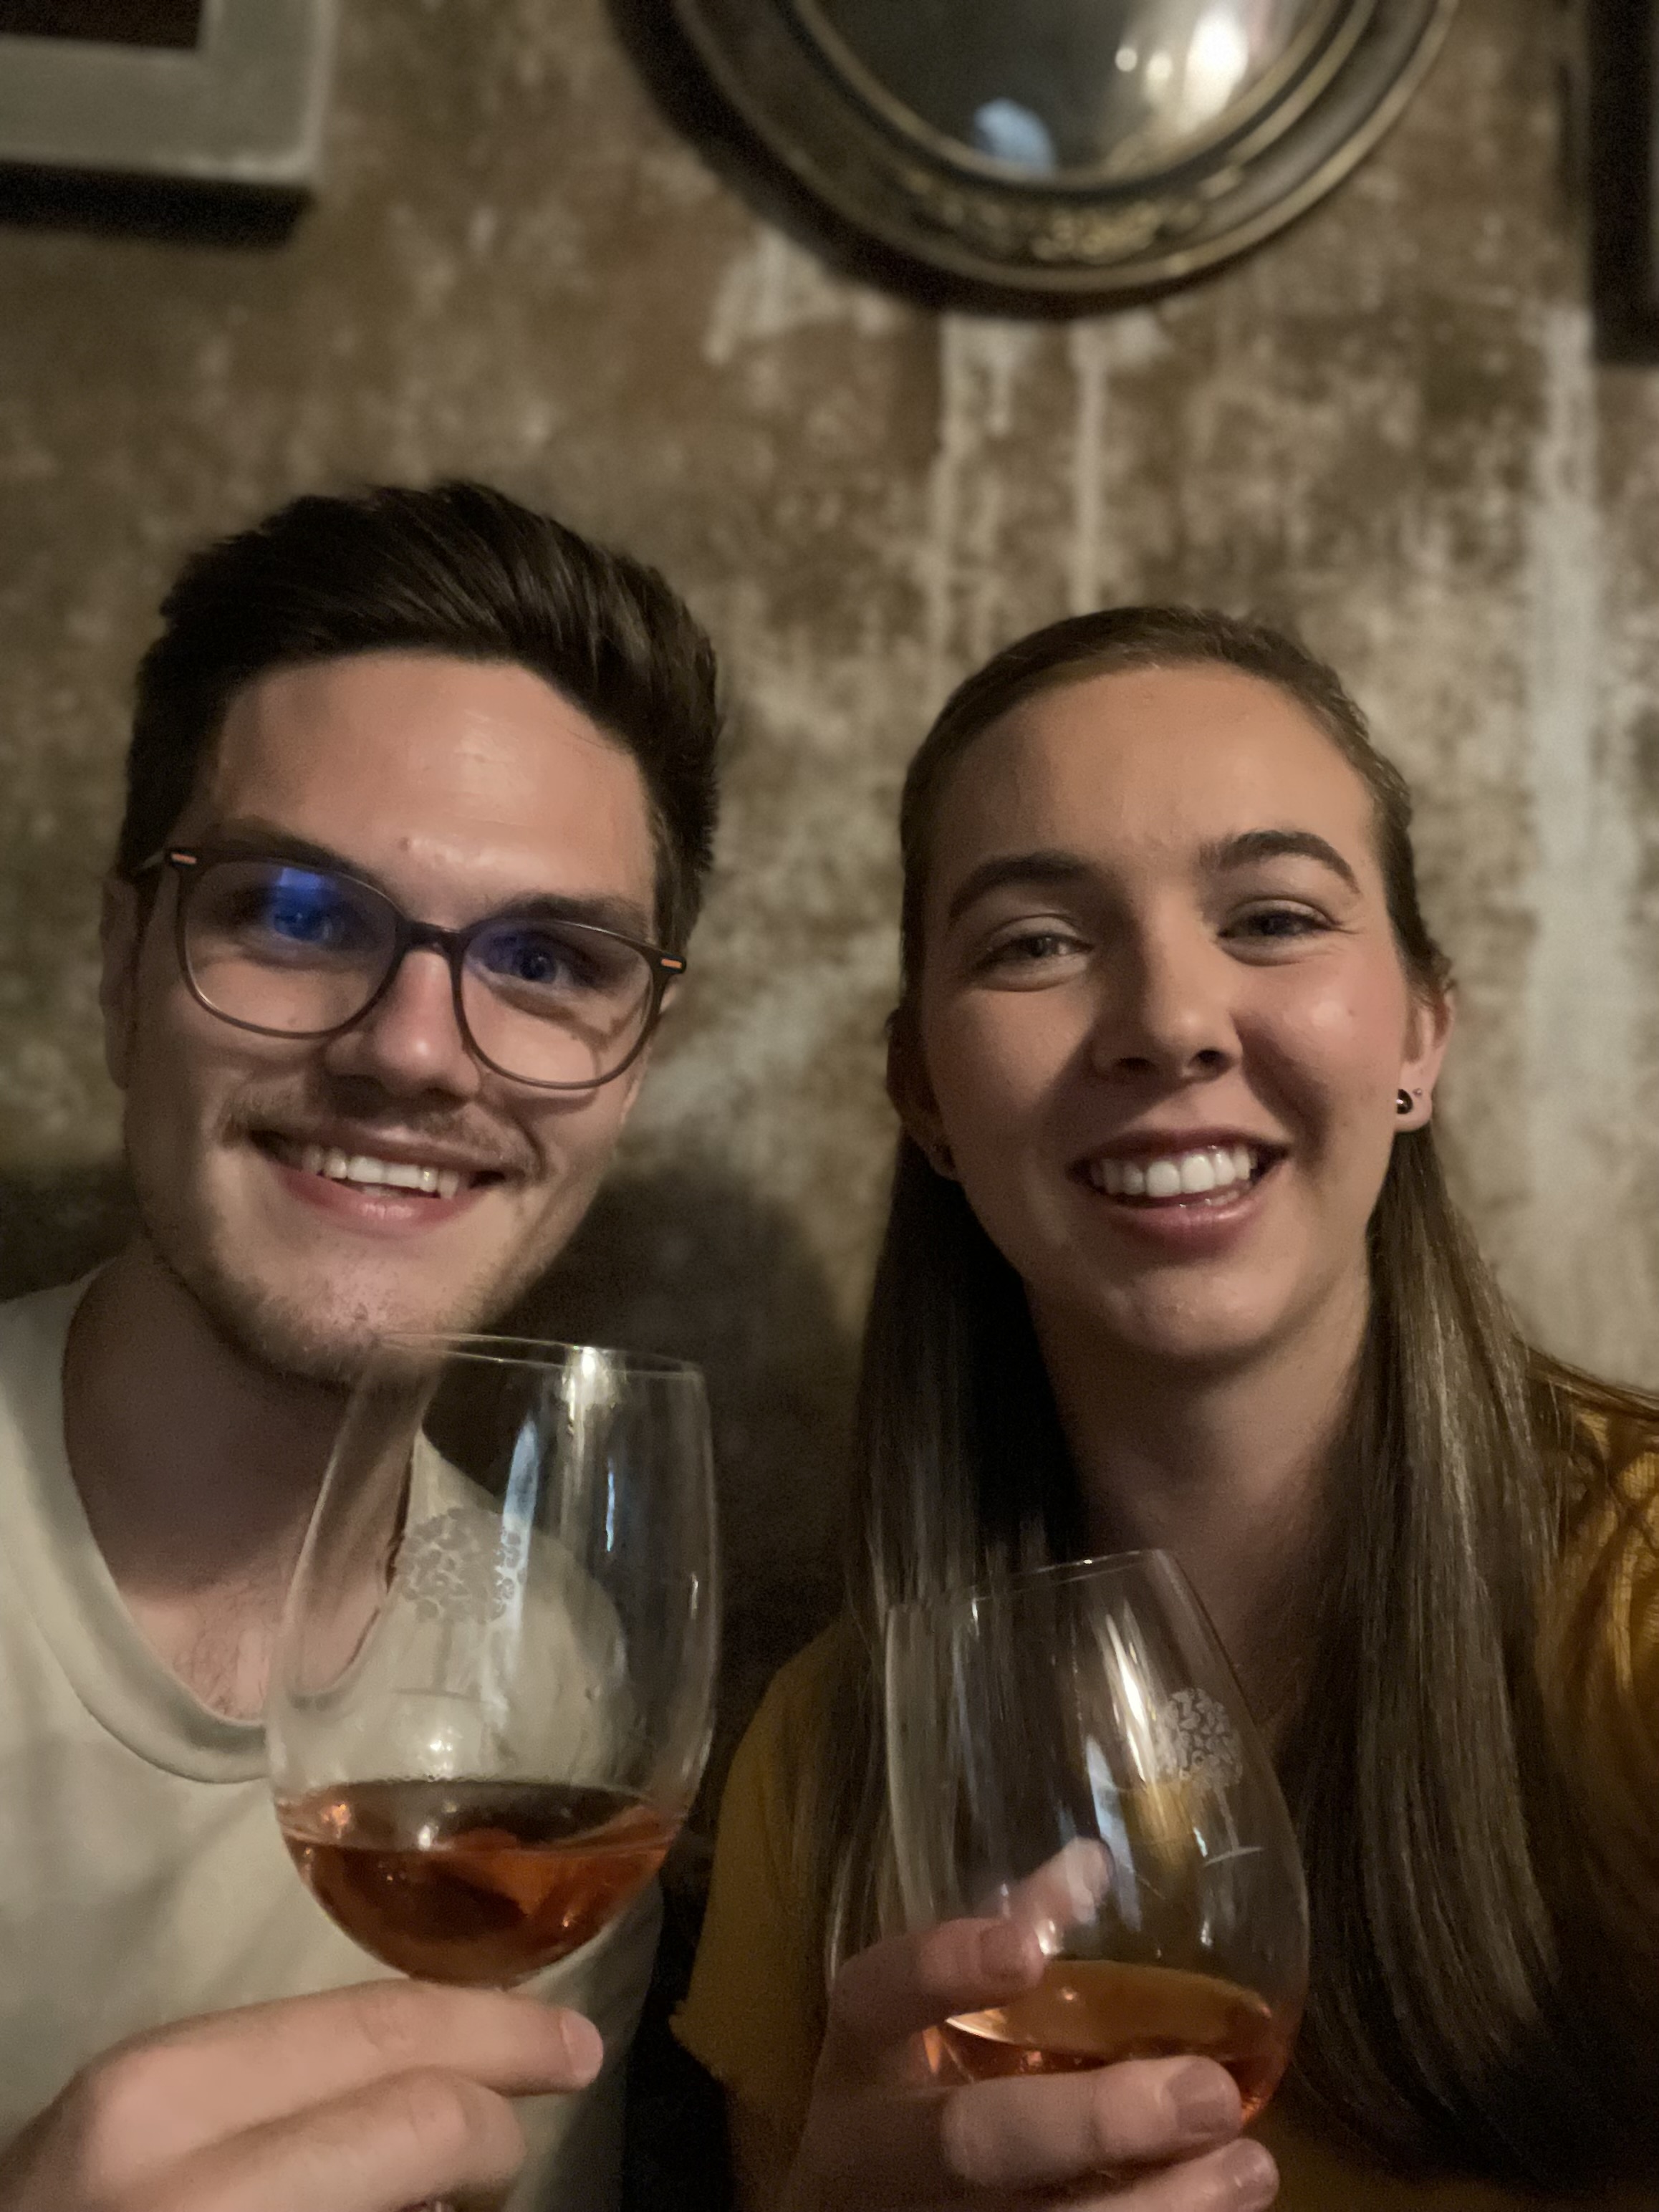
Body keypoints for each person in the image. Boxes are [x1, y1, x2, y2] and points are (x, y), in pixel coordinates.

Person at [675, 606, 1659, 2211]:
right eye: (1035, 943)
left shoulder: (1635, 1605)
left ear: (1421, 1032)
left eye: (1272, 918)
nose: (1170, 1021)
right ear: (924, 1092)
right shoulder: (831, 1755)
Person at [0, 480, 721, 2212]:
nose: (412, 1050)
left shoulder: (568, 1686)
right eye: (298, 914)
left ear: (633, 1059)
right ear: (123, 964)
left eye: (546, 957)